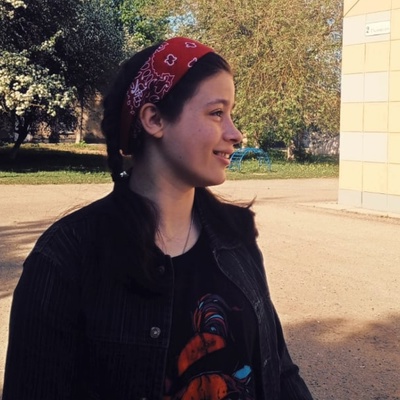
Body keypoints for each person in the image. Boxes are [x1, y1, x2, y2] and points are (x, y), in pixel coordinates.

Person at [3, 37, 314, 399]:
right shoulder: (65, 258)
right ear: (154, 119)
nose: (235, 134)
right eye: (217, 113)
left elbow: (279, 370)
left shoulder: (236, 237)